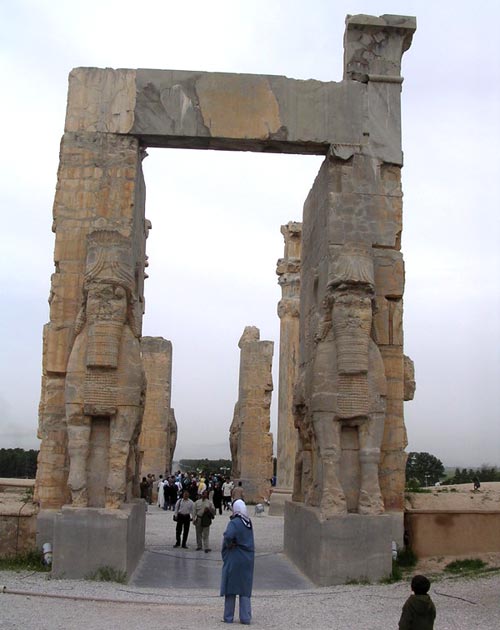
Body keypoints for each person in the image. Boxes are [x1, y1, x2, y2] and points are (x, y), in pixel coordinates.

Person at [220, 499, 255, 625]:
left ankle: (228, 617)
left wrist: (229, 544)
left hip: (235, 557)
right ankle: (245, 617)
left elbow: (228, 536)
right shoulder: (248, 522)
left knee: (230, 587)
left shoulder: (234, 523)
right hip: (247, 559)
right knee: (244, 588)